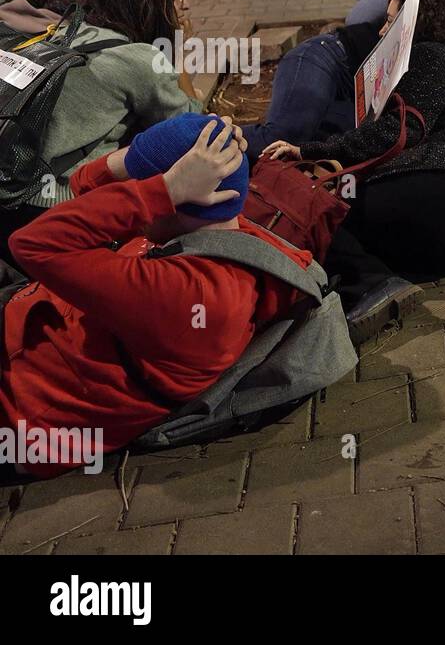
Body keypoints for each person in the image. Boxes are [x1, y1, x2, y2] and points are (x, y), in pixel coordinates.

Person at [0, 115, 314, 481]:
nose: (132, 189)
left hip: (21, 415)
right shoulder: (212, 231)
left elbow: (31, 244)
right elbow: (82, 192)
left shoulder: (189, 294)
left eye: (139, 184)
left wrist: (160, 191)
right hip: (26, 345)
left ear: (180, 197)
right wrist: (141, 169)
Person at [261, 0, 445, 344]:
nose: (381, 30)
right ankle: (370, 282)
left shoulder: (432, 56)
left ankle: (371, 288)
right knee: (343, 218)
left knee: (318, 208)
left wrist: (309, 151)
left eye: (391, 20)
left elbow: (397, 133)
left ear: (419, 25)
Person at [0, 0, 203, 264]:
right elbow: (195, 131)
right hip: (50, 213)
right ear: (150, 0)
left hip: (10, 193)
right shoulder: (140, 59)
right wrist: (176, 49)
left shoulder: (69, 29)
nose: (185, 4)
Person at [241, 21, 381, 160]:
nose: (382, 31)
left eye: (390, 22)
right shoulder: (395, 23)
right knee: (279, 140)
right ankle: (221, 132)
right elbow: (359, 14)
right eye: (388, 21)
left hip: (349, 95)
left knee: (325, 144)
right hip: (325, 55)